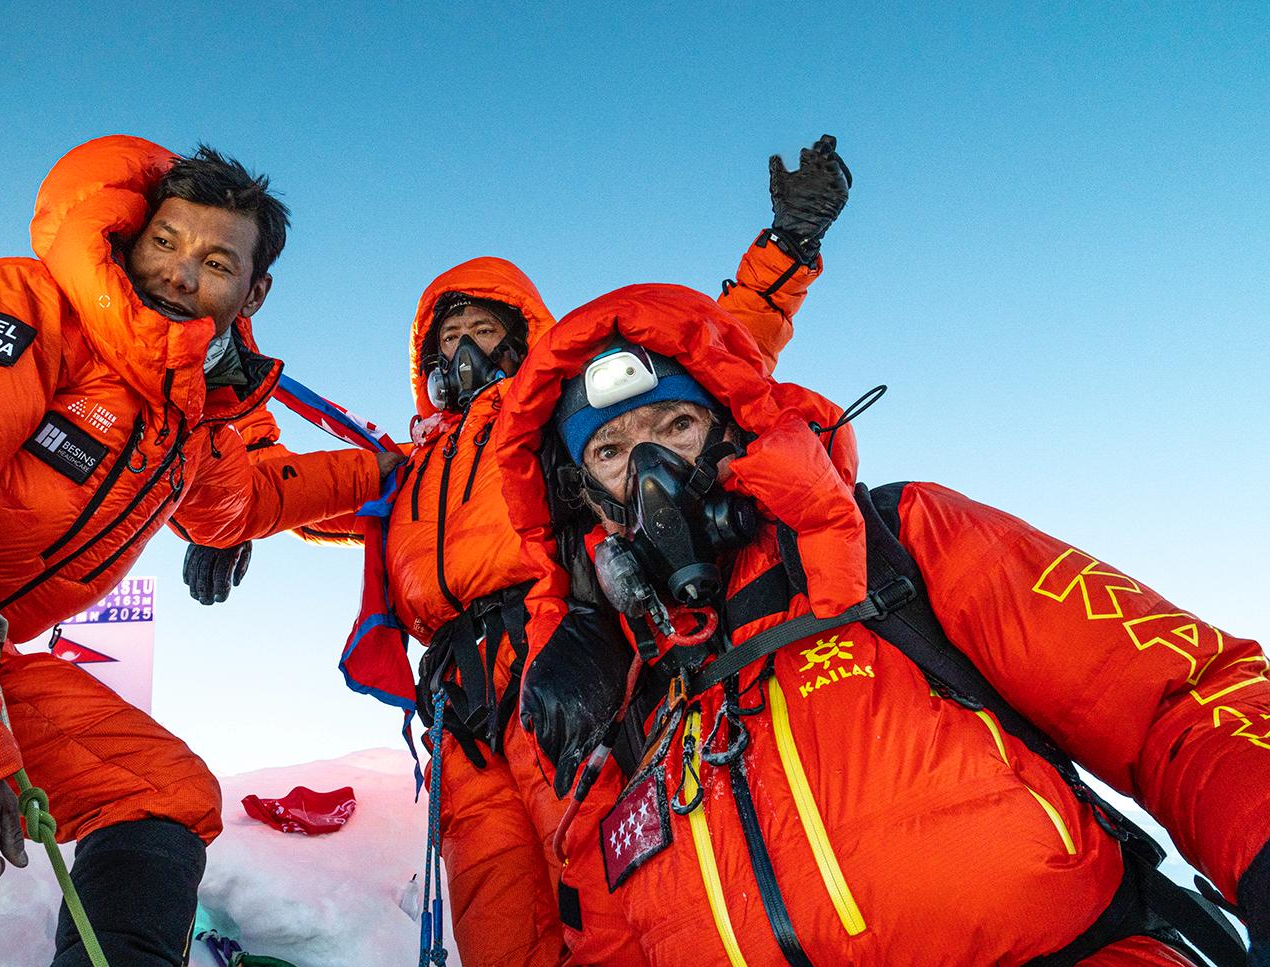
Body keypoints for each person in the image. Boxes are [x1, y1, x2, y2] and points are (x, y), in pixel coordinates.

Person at [492, 284, 1270, 966]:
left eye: (676, 427)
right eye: (612, 452)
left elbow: (1172, 694)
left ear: (734, 428)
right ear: (585, 499)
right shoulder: (618, 692)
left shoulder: (905, 542)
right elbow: (609, 935)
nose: (653, 474)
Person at [181, 137, 854, 966]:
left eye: (481, 329)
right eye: (450, 335)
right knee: (497, 917)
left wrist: (786, 251)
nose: (463, 348)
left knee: (615, 900)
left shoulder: (552, 426)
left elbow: (708, 349)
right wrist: (226, 475)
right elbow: (261, 488)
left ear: (518, 339)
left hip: (567, 664)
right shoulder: (395, 470)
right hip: (459, 715)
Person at [0, 135, 395, 967]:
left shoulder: (186, 416)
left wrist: (384, 470)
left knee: (156, 791)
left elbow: (243, 502)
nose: (178, 272)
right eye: (164, 242)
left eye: (215, 260)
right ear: (130, 240)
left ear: (254, 290)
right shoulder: (21, 311)